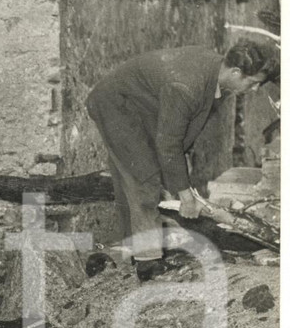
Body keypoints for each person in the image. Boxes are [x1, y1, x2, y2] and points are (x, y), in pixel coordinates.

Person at [86, 42, 275, 281]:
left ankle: (134, 248)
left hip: (142, 105)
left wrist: (180, 167)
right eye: (253, 82)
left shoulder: (216, 75)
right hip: (115, 106)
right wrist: (185, 195)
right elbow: (169, 144)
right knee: (143, 177)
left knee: (142, 176)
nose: (256, 89)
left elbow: (182, 127)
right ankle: (148, 264)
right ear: (236, 72)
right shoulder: (186, 86)